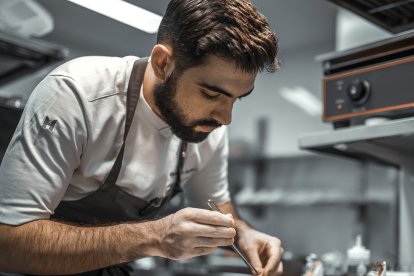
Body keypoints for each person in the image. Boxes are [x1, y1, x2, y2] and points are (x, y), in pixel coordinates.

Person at [0, 0, 283, 275]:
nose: (225, 118)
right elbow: (8, 243)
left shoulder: (208, 128)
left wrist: (243, 234)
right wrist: (153, 237)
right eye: (211, 94)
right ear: (163, 62)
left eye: (237, 99)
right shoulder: (78, 95)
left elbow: (217, 204)